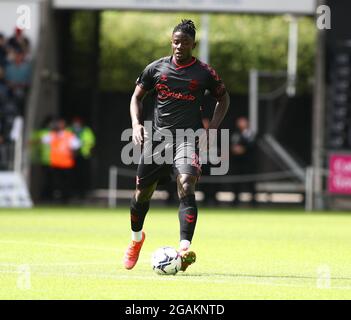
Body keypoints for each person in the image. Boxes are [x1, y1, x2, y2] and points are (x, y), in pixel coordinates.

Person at [123, 20, 230, 271]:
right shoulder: (156, 68)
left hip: (187, 139)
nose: (179, 46)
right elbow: (136, 97)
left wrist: (212, 128)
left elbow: (223, 98)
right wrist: (136, 124)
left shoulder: (204, 72)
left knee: (185, 184)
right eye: (175, 41)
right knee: (142, 195)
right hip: (158, 141)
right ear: (171, 42)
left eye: (184, 42)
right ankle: (136, 240)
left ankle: (183, 248)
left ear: (194, 44)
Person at [42, 118, 80, 203]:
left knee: (66, 183)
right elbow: (43, 140)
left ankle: (66, 199)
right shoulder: (52, 134)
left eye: (61, 124)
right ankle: (56, 198)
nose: (59, 125)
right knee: (55, 182)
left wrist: (73, 155)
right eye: (58, 124)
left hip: (67, 164)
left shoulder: (69, 135)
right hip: (55, 163)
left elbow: (76, 146)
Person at [230, 116, 257, 206]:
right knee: (236, 182)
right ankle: (235, 201)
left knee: (250, 183)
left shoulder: (251, 134)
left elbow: (252, 145)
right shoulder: (235, 134)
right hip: (238, 163)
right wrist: (234, 149)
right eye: (239, 122)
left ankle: (253, 201)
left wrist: (243, 149)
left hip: (248, 163)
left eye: (243, 122)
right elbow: (232, 144)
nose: (241, 124)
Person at [69, 117, 96, 199]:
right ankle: (73, 193)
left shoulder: (86, 130)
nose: (76, 125)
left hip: (83, 156)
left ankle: (83, 193)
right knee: (72, 176)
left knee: (83, 175)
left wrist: (82, 143)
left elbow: (91, 141)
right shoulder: (69, 130)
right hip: (71, 157)